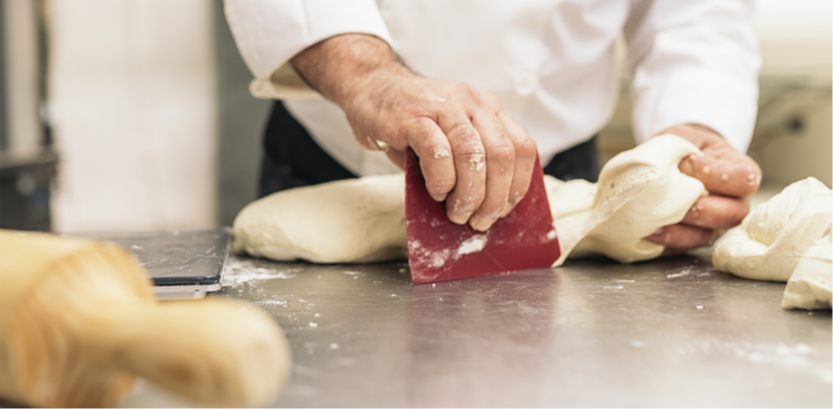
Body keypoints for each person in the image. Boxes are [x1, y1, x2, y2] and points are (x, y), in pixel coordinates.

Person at [224, 0, 762, 256]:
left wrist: (696, 121)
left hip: (558, 179)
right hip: (334, 155)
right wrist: (367, 76)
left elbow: (699, 14)